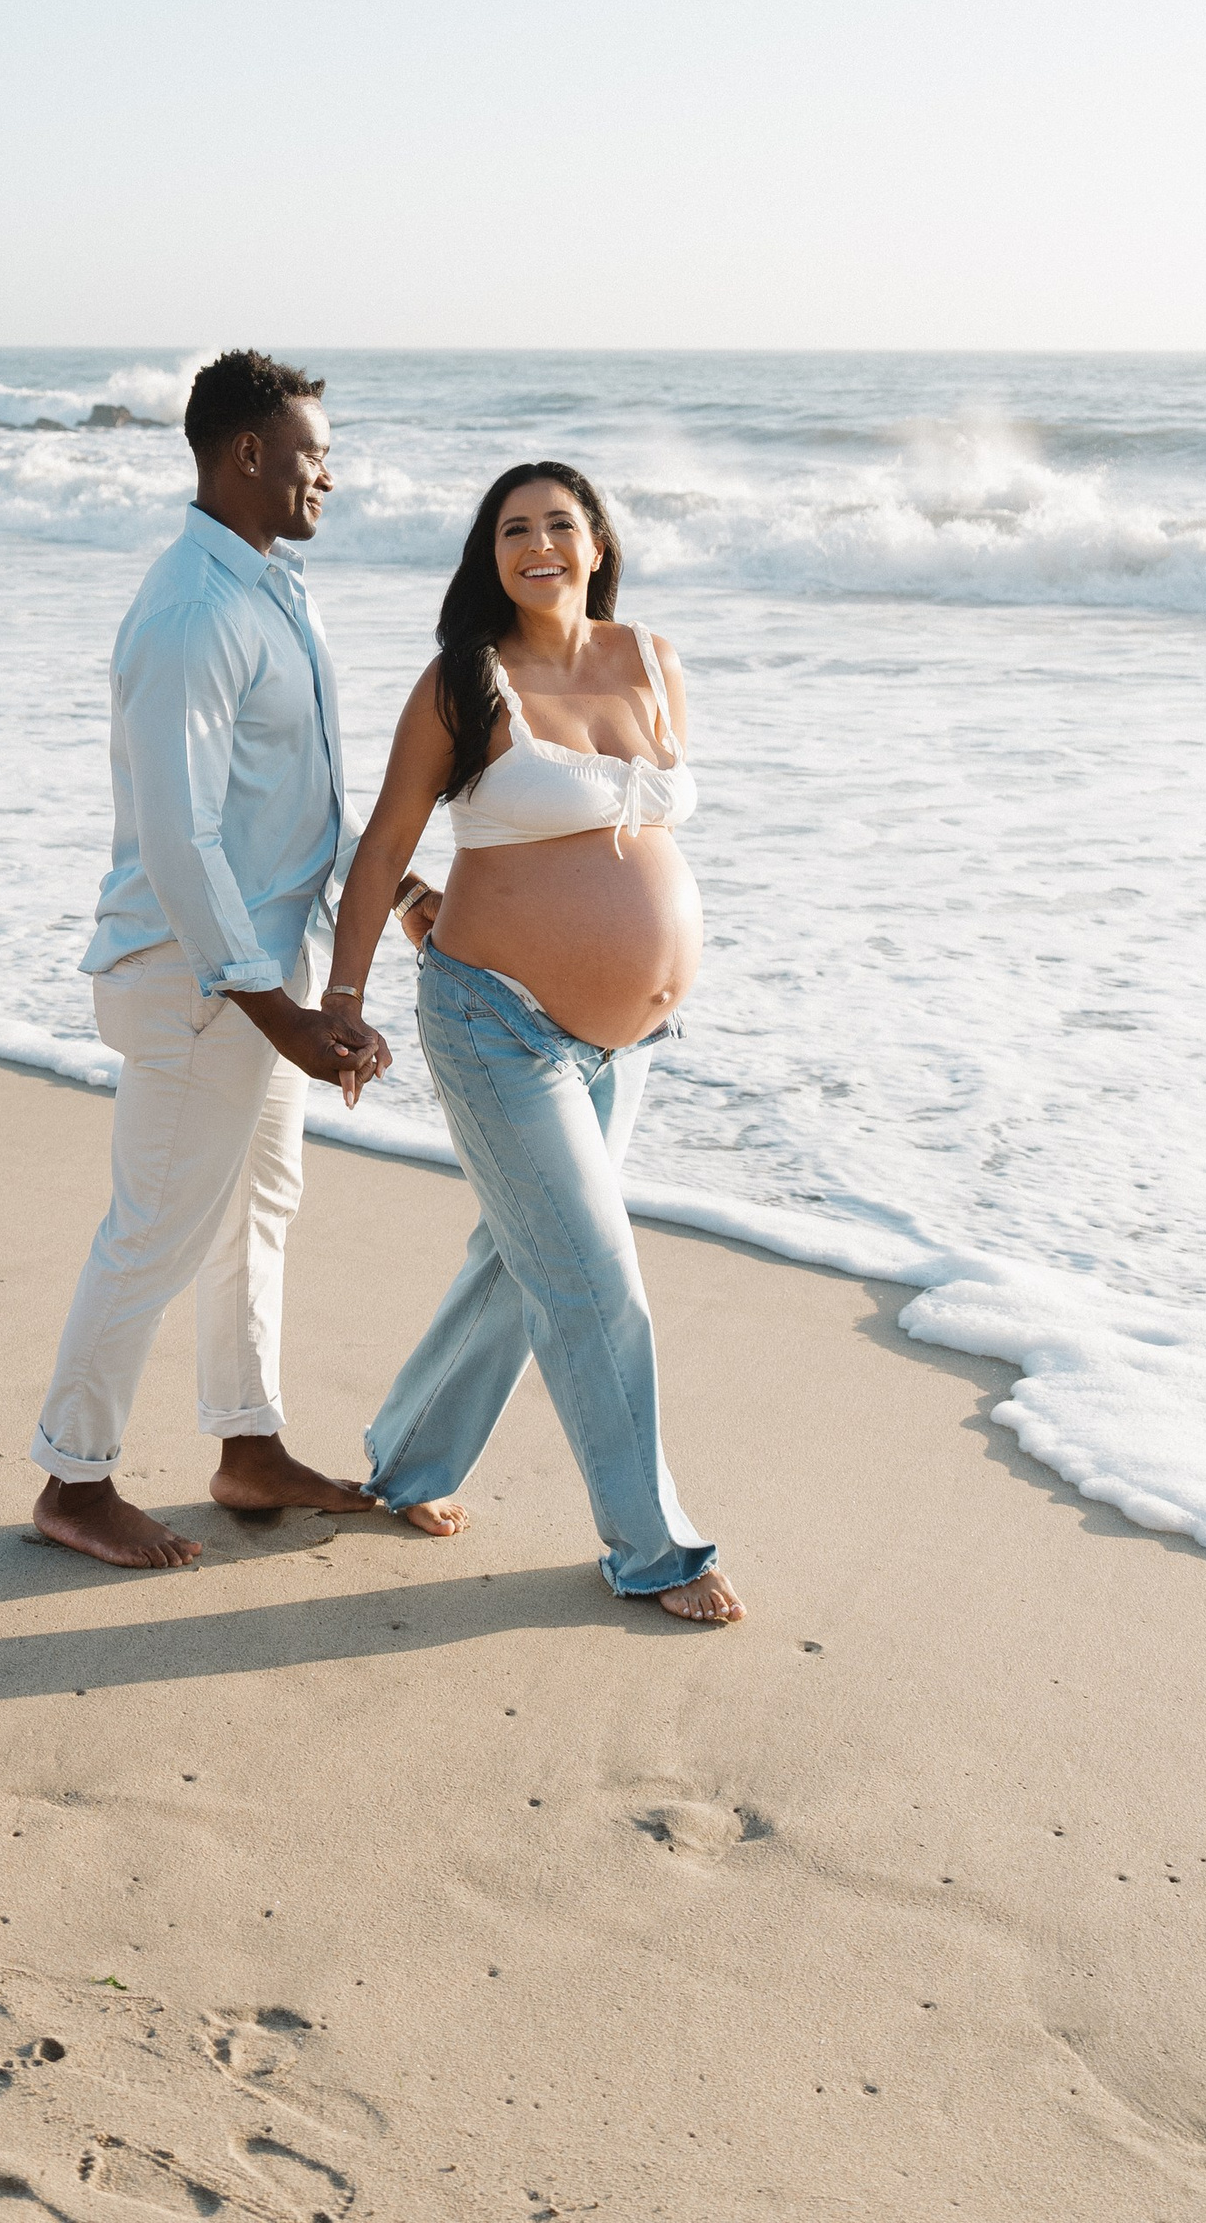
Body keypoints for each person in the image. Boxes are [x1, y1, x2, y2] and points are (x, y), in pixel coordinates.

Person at [324, 461, 744, 1625]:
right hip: (496, 1022)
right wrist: (343, 996)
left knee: (527, 1257)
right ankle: (652, 1547)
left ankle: (407, 1462)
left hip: (633, 1039)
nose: (538, 543)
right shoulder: (465, 682)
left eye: (560, 522)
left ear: (598, 540)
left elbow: (631, 830)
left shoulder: (652, 658)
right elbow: (382, 845)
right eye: (514, 528)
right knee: (592, 1278)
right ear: (489, 553)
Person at [28, 350, 390, 1571]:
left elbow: (302, 805)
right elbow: (181, 839)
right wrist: (273, 1008)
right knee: (157, 1230)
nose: (327, 474)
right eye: (310, 453)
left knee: (257, 1213)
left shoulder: (276, 591)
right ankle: (74, 1478)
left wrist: (396, 894)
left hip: (257, 978)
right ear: (247, 454)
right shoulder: (192, 610)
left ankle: (248, 1446)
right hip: (192, 983)